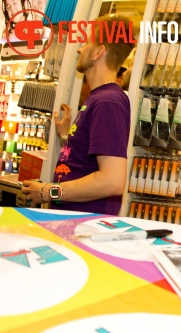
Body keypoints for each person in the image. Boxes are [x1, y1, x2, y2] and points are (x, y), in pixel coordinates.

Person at [21, 14, 135, 215]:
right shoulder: (98, 99)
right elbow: (85, 161)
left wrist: (49, 192)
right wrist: (66, 136)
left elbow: (112, 180)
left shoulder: (107, 101)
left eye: (87, 42)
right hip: (76, 219)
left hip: (83, 224)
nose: (80, 48)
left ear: (98, 52)